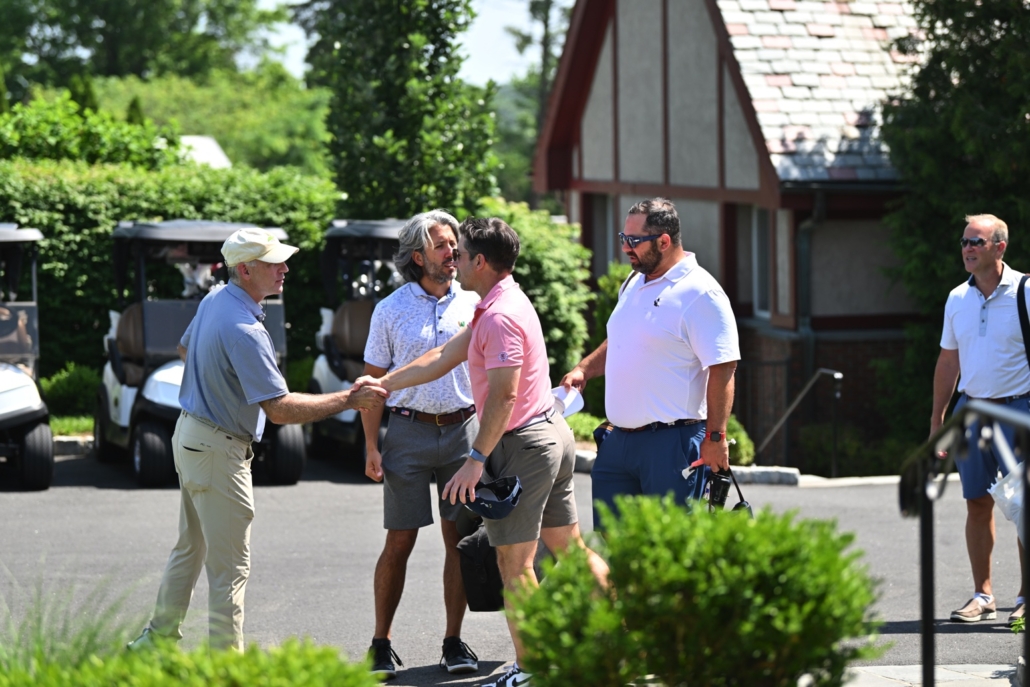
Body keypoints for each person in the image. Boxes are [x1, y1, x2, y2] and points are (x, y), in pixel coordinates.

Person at [355, 217, 609, 687]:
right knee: (570, 551)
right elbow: (441, 357)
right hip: (547, 434)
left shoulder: (498, 315)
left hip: (525, 445)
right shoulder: (499, 302)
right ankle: (625, 646)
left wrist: (475, 461)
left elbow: (504, 397)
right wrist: (383, 384)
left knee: (516, 564)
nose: (455, 258)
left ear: (480, 261)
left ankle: (531, 670)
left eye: (462, 251)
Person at [127, 228, 387, 652]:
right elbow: (279, 409)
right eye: (273, 262)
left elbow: (184, 349)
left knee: (190, 548)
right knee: (230, 569)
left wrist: (218, 384)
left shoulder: (215, 299)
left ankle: (154, 643)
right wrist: (349, 399)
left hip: (192, 436)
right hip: (217, 449)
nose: (284, 269)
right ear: (246, 270)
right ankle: (227, 669)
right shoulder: (245, 329)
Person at [560, 197, 740, 525]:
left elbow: (723, 367)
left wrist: (716, 438)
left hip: (672, 444)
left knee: (671, 545)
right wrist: (585, 369)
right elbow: (622, 338)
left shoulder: (701, 292)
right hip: (618, 441)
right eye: (623, 238)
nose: (625, 248)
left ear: (664, 241)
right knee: (614, 540)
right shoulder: (634, 281)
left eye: (634, 240)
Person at [360, 210, 481, 679]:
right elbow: (373, 383)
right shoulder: (389, 309)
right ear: (417, 256)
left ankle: (453, 641)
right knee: (399, 540)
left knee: (459, 540)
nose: (453, 252)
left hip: (463, 432)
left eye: (455, 244)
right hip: (407, 432)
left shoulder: (474, 302)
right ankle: (380, 643)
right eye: (442, 245)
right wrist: (371, 446)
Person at [931, 213, 1027, 625]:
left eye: (977, 242)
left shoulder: (1026, 292)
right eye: (964, 242)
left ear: (999, 247)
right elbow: (948, 361)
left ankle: (1025, 596)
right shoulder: (957, 298)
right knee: (976, 502)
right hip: (971, 411)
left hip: (1019, 410)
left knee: (1024, 506)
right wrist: (937, 420)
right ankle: (982, 595)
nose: (967, 248)